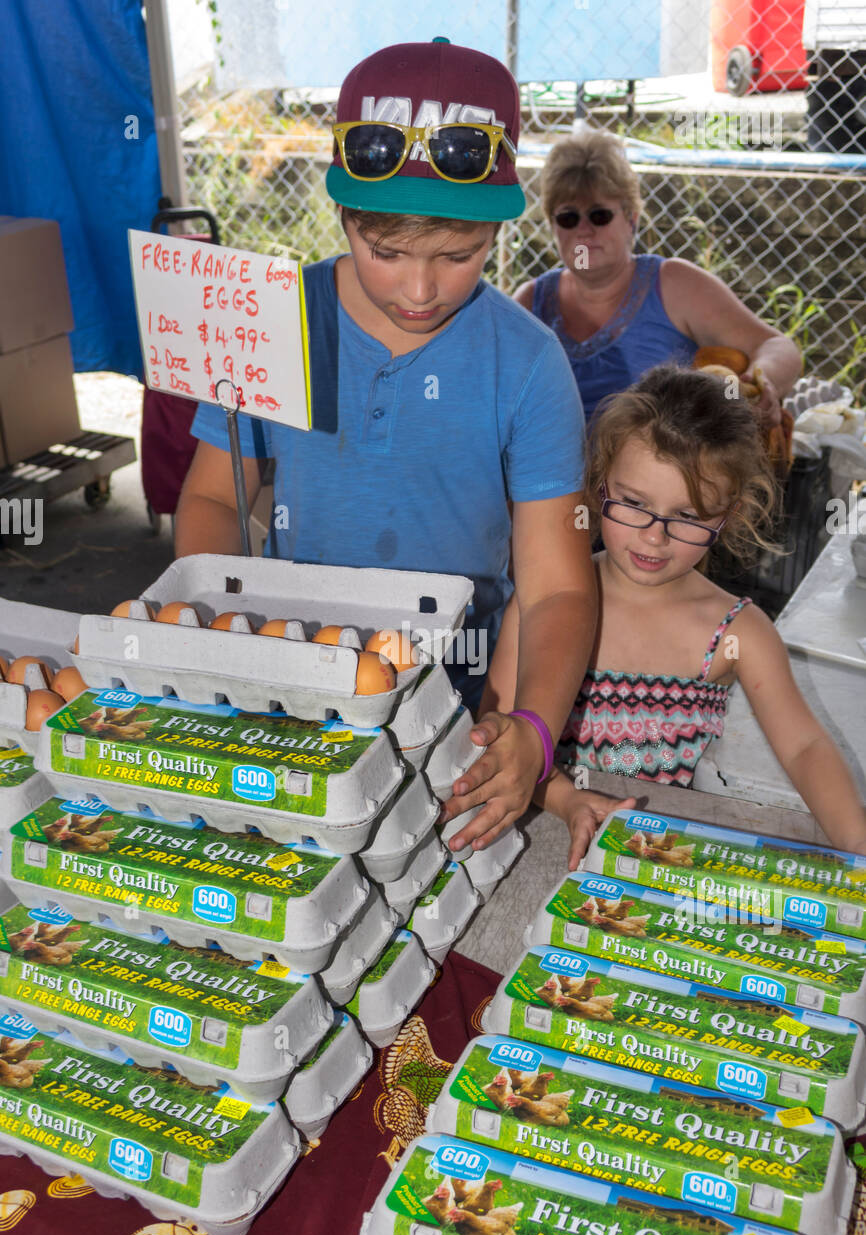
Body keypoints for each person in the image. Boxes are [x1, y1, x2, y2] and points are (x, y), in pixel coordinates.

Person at [174, 37, 597, 854]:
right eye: (387, 252)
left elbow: (556, 588)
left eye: (459, 256)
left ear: (498, 233)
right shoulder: (276, 323)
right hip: (286, 676)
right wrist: (223, 627)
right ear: (343, 216)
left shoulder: (527, 363)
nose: (420, 288)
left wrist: (535, 731)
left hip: (458, 697)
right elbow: (214, 496)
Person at [471, 365, 866, 869]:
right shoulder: (541, 604)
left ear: (729, 513)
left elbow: (805, 747)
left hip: (657, 866)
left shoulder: (738, 632)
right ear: (599, 484)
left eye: (688, 516)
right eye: (634, 503)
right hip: (530, 839)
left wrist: (857, 844)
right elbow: (499, 731)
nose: (655, 536)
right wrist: (567, 800)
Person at [513, 128, 803, 426]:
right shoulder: (531, 303)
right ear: (552, 225)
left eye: (599, 215)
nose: (584, 231)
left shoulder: (674, 284)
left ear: (631, 219)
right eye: (568, 218)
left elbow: (777, 346)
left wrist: (760, 383)